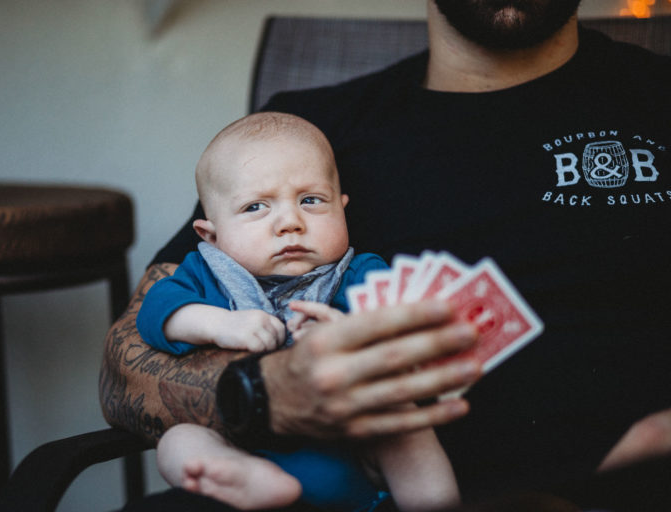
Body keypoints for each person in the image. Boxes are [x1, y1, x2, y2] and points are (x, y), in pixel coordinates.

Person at [101, 1, 671, 509]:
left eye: (311, 203)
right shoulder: (301, 140)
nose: (290, 219)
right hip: (313, 481)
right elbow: (123, 364)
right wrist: (265, 390)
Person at [136, 112, 461, 512]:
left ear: (342, 208)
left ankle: (436, 504)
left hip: (356, 454)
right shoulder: (205, 276)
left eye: (311, 201)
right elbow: (154, 313)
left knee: (405, 422)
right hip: (251, 450)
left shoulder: (361, 275)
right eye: (256, 207)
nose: (290, 222)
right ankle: (248, 479)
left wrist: (348, 334)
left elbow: (400, 334)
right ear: (211, 234)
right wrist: (220, 324)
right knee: (179, 440)